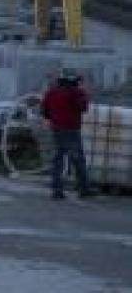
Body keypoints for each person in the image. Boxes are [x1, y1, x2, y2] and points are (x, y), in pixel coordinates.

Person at [41, 69, 93, 200]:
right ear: (74, 81)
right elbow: (84, 107)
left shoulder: (51, 92)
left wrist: (54, 119)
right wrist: (82, 92)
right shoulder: (76, 92)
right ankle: (84, 189)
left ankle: (57, 191)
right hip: (71, 130)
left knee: (58, 160)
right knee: (78, 160)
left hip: (56, 129)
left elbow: (44, 111)